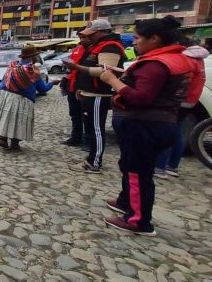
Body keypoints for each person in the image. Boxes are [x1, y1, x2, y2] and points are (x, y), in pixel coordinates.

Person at [99, 16, 194, 236]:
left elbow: (141, 97)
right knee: (133, 168)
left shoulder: (156, 64)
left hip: (147, 124)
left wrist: (113, 81)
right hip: (161, 121)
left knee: (138, 173)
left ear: (154, 39)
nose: (134, 43)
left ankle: (138, 220)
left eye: (137, 38)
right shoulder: (174, 59)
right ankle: (127, 203)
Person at [64, 19, 126, 174]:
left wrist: (76, 67)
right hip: (89, 93)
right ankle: (91, 157)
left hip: (99, 95)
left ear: (103, 32)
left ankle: (94, 162)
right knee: (91, 128)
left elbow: (104, 72)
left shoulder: (110, 47)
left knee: (96, 129)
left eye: (92, 34)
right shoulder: (95, 46)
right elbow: (90, 68)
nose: (89, 37)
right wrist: (81, 88)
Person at [0, 45, 57, 151]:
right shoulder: (33, 70)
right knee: (20, 121)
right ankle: (15, 143)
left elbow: (4, 84)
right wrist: (52, 83)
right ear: (33, 57)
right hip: (24, 99)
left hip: (6, 96)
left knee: (7, 117)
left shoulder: (13, 66)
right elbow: (42, 89)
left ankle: (3, 138)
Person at [154, 40, 208, 178]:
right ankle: (172, 166)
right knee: (177, 133)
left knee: (167, 132)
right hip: (191, 100)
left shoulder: (187, 60)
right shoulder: (199, 60)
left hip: (179, 101)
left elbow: (181, 82)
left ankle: (159, 167)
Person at [60, 30, 90, 148]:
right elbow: (71, 69)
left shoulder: (93, 51)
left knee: (87, 115)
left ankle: (88, 141)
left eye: (84, 37)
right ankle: (75, 137)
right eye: (80, 37)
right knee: (74, 114)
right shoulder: (77, 49)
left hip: (86, 87)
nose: (81, 40)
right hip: (72, 86)